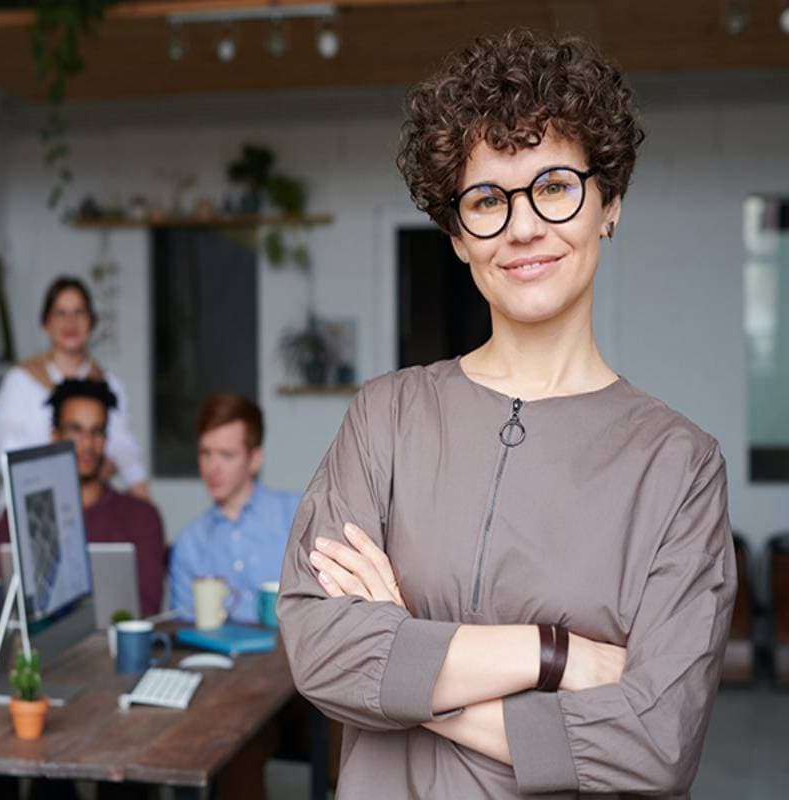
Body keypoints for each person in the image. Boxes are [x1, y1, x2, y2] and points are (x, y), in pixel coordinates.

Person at [279, 30, 736, 798]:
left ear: (610, 202)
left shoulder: (678, 466)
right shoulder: (385, 418)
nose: (523, 227)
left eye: (554, 186)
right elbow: (323, 653)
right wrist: (552, 654)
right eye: (488, 200)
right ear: (459, 236)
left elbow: (655, 744)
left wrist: (407, 669)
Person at [0, 378, 166, 617]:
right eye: (76, 431)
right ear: (55, 436)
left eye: (97, 432)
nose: (87, 444)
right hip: (38, 650)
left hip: (111, 650)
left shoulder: (141, 517)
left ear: (106, 440)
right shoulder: (17, 516)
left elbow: (146, 610)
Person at [0, 276, 149, 498]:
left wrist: (141, 494)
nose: (70, 322)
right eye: (60, 313)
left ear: (91, 321)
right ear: (46, 323)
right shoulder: (20, 381)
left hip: (89, 504)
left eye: (79, 312)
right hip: (30, 499)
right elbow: (7, 450)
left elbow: (124, 450)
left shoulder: (108, 385)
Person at [169, 394, 299, 625]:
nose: (212, 467)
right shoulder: (190, 542)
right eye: (205, 453)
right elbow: (184, 629)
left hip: (292, 657)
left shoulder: (296, 516)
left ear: (255, 459)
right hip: (218, 659)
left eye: (226, 455)